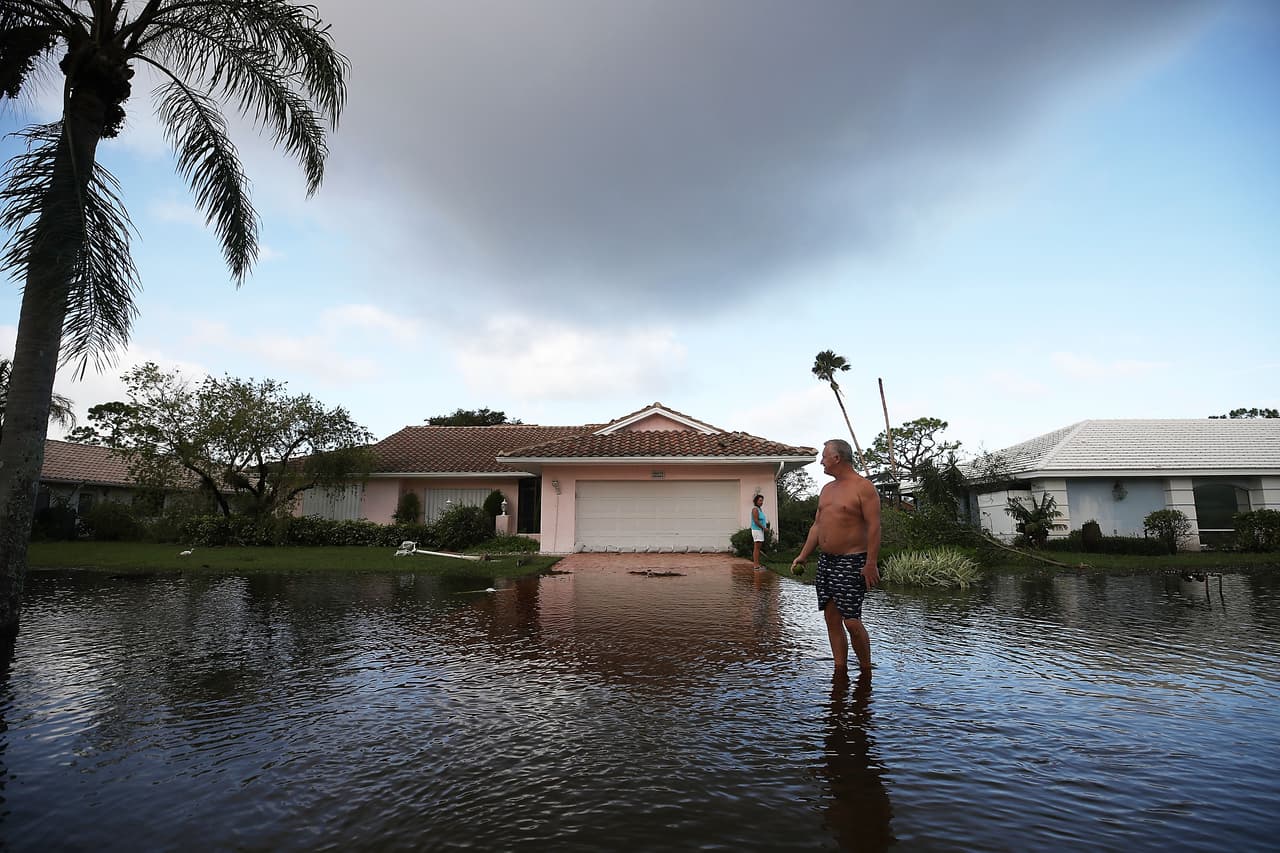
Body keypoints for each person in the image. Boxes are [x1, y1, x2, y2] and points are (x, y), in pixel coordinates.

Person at [791, 439, 882, 675]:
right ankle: (840, 670)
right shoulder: (827, 489)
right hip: (826, 561)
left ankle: (866, 670)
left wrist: (870, 563)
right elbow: (817, 526)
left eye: (824, 456)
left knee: (851, 620)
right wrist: (802, 556)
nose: (821, 461)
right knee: (832, 617)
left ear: (837, 458)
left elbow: (874, 527)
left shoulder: (863, 487)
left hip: (853, 560)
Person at [749, 493, 770, 569]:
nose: (761, 502)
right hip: (757, 530)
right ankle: (756, 565)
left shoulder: (759, 509)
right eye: (760, 500)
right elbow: (756, 521)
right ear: (756, 501)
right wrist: (764, 528)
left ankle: (757, 564)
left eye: (762, 501)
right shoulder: (755, 509)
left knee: (758, 548)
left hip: (759, 530)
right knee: (757, 548)